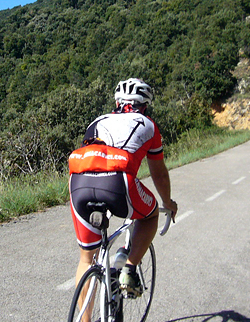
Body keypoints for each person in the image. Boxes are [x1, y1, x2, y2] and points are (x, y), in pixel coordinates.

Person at [68, 78, 178, 297]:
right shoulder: (149, 125)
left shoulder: (97, 121)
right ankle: (128, 268)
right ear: (145, 104)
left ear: (117, 101)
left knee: (87, 259)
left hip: (78, 182)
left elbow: (92, 162)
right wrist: (168, 202)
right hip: (118, 182)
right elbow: (158, 173)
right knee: (150, 214)